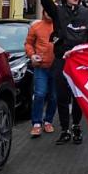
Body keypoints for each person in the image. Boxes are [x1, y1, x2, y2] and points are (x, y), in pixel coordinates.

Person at [36, 0, 88, 145]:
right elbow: (48, 4)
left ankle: (76, 127)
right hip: (62, 60)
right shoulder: (59, 12)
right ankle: (65, 129)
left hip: (80, 62)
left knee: (78, 97)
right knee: (62, 96)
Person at [24, 10, 56, 138]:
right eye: (47, 9)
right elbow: (28, 44)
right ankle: (36, 123)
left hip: (56, 67)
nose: (49, 12)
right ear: (43, 12)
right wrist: (32, 55)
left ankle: (48, 121)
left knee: (54, 97)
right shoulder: (36, 26)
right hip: (41, 67)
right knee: (39, 94)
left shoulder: (60, 25)